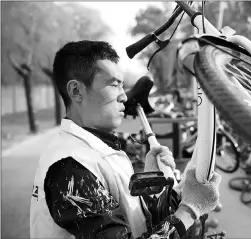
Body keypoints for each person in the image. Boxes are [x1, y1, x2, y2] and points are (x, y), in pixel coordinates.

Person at [30, 40, 221, 239]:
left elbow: (131, 219)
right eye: (114, 85)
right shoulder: (71, 168)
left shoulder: (94, 149)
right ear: (76, 91)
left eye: (122, 85)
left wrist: (159, 189)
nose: (124, 97)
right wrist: (190, 210)